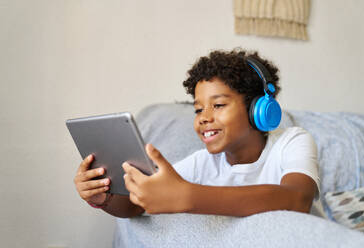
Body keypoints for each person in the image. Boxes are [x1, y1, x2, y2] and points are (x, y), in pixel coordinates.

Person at [73, 49, 320, 217]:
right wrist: (102, 197)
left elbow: (296, 199)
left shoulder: (292, 142)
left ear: (259, 110)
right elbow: (136, 206)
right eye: (198, 109)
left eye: (219, 105)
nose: (204, 117)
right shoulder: (202, 163)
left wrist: (186, 196)